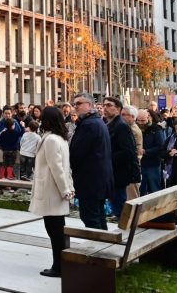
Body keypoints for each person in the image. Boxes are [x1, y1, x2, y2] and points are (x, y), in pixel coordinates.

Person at [30, 106, 74, 279]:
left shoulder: (50, 140)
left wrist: (65, 189)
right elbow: (65, 167)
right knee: (57, 229)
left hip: (52, 190)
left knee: (54, 231)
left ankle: (58, 266)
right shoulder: (60, 139)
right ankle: (60, 265)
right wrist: (68, 187)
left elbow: (57, 168)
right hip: (56, 189)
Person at [68, 93, 113, 230]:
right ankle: (104, 244)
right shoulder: (96, 121)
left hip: (91, 180)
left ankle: (98, 247)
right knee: (98, 216)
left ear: (89, 104)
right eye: (74, 104)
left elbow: (77, 153)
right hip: (97, 179)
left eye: (79, 103)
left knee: (91, 218)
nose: (75, 107)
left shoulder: (90, 125)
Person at [104, 97, 139, 218]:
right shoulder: (110, 124)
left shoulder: (121, 126)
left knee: (120, 208)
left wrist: (107, 159)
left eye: (109, 105)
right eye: (104, 105)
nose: (105, 108)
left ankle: (125, 234)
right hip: (113, 172)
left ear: (118, 109)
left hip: (119, 173)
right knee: (117, 206)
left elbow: (128, 152)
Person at [137, 109, 165, 196]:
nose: (141, 123)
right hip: (140, 163)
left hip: (153, 163)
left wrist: (146, 152)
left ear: (148, 118)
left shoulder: (156, 129)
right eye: (139, 120)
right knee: (141, 189)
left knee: (154, 189)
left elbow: (160, 146)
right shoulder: (135, 128)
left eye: (143, 120)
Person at [0, 111, 24, 181]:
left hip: (5, 151)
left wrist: (3, 148)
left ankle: (1, 175)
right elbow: (22, 133)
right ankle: (9, 175)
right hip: (13, 151)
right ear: (13, 125)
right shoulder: (15, 133)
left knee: (4, 163)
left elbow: (0, 141)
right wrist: (22, 125)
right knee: (10, 164)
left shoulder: (3, 133)